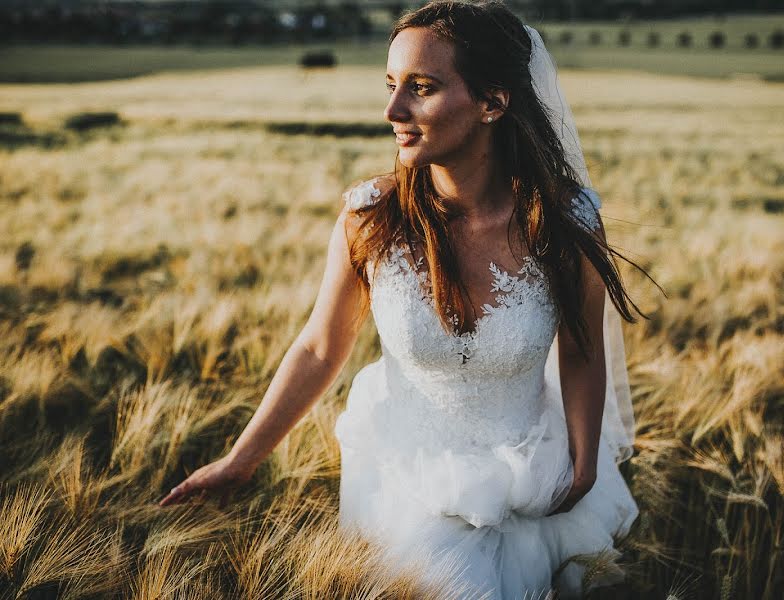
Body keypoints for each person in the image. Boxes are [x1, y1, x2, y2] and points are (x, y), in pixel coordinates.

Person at [159, 1, 657, 597]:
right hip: (411, 487)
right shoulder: (371, 219)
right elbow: (320, 348)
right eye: (392, 85)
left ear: (493, 102)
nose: (392, 110)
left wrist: (583, 464)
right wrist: (240, 461)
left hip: (531, 477)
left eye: (421, 88)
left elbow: (579, 346)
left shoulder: (563, 222)